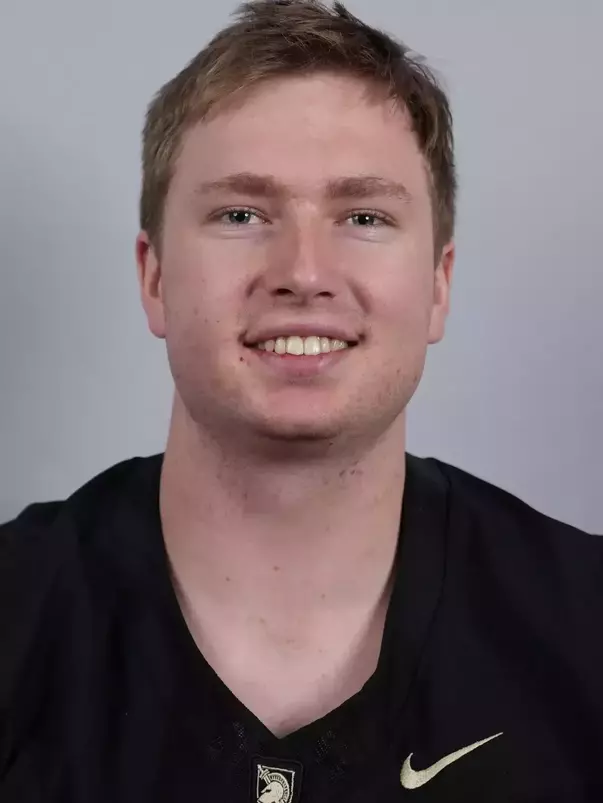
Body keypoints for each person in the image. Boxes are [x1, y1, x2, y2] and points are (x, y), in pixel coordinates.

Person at [1, 0, 601, 800]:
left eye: (363, 215)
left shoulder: (584, 627)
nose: (304, 270)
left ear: (437, 285)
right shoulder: (17, 615)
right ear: (153, 278)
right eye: (242, 213)